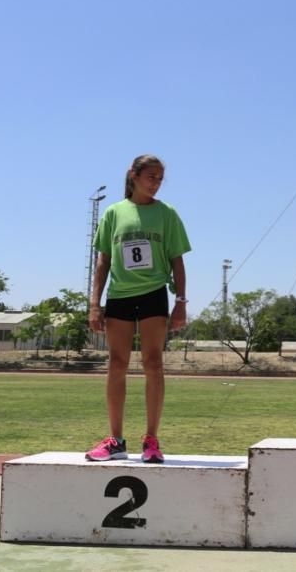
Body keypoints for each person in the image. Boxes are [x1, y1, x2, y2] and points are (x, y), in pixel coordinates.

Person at [86, 154, 191, 463]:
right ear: (133, 175)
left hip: (154, 294)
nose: (156, 183)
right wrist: (95, 303)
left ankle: (152, 440)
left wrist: (181, 303)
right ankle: (116, 440)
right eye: (151, 177)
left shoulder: (167, 214)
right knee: (117, 363)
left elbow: (177, 260)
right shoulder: (114, 213)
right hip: (119, 295)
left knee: (153, 363)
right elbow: (103, 261)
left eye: (160, 178)